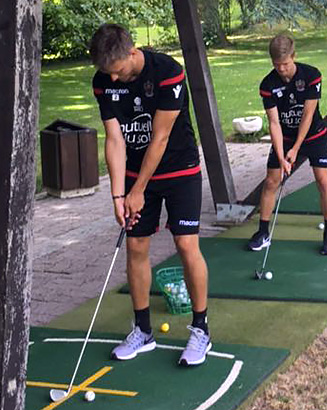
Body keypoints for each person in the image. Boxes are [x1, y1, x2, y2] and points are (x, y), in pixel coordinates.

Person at [89, 23, 211, 366]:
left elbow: (160, 138)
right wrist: (118, 196)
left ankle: (201, 329)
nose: (113, 78)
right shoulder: (104, 81)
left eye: (117, 71)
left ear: (132, 52)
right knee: (136, 245)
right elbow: (115, 139)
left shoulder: (168, 73)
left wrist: (138, 190)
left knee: (186, 244)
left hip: (179, 170)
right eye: (107, 73)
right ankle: (142, 331)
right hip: (134, 174)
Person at [248, 33, 327, 256]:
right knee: (271, 181)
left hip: (314, 136)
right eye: (276, 65)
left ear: (294, 56)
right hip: (285, 137)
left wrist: (296, 149)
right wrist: (281, 157)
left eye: (285, 64)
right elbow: (274, 123)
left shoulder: (311, 76)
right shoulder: (268, 85)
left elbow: (308, 115)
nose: (281, 69)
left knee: (323, 180)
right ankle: (263, 232)